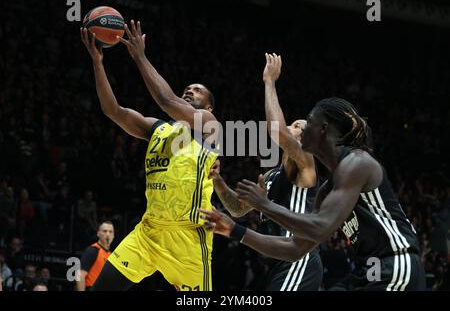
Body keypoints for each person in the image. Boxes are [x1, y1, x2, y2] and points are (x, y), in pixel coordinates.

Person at [201, 96, 426, 291]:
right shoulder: (327, 189)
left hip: (396, 264)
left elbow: (320, 227)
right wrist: (234, 230)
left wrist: (265, 205)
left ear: (323, 128)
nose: (299, 127)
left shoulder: (357, 162)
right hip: (369, 270)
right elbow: (294, 249)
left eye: (307, 122)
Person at [80, 19, 219, 291]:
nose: (189, 91)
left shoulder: (210, 126)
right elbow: (113, 111)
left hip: (188, 237)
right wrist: (97, 62)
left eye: (197, 90)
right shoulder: (159, 128)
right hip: (149, 231)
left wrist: (139, 56)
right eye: (187, 89)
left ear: (210, 107)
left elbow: (167, 101)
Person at [209, 54, 322, 290]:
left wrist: (269, 82)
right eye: (295, 123)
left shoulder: (306, 164)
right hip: (274, 261)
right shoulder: (272, 175)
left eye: (300, 126)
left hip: (297, 259)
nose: (294, 126)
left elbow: (277, 132)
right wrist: (218, 181)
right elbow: (237, 209)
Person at [75, 221, 114, 291]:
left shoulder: (111, 255)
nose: (108, 234)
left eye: (110, 232)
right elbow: (80, 275)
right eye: (105, 231)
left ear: (114, 235)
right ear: (98, 234)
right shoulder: (92, 250)